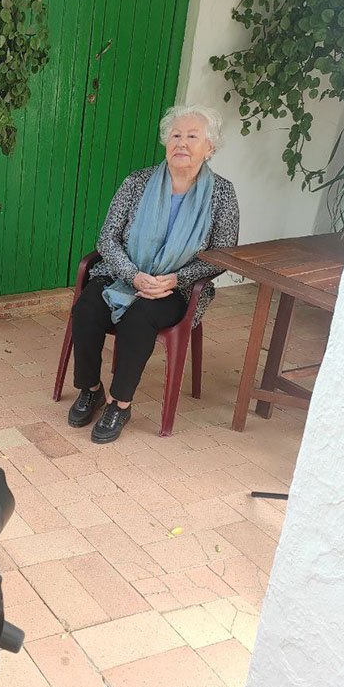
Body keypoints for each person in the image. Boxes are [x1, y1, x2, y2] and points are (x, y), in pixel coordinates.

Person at [66, 104, 240, 444]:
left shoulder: (222, 193)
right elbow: (107, 238)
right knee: (86, 309)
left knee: (139, 317)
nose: (182, 143)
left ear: (210, 147)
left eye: (193, 136)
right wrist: (132, 275)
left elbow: (223, 255)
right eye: (176, 135)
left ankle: (120, 403)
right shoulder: (138, 182)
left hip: (179, 287)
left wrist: (176, 279)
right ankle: (91, 389)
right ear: (165, 142)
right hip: (124, 274)